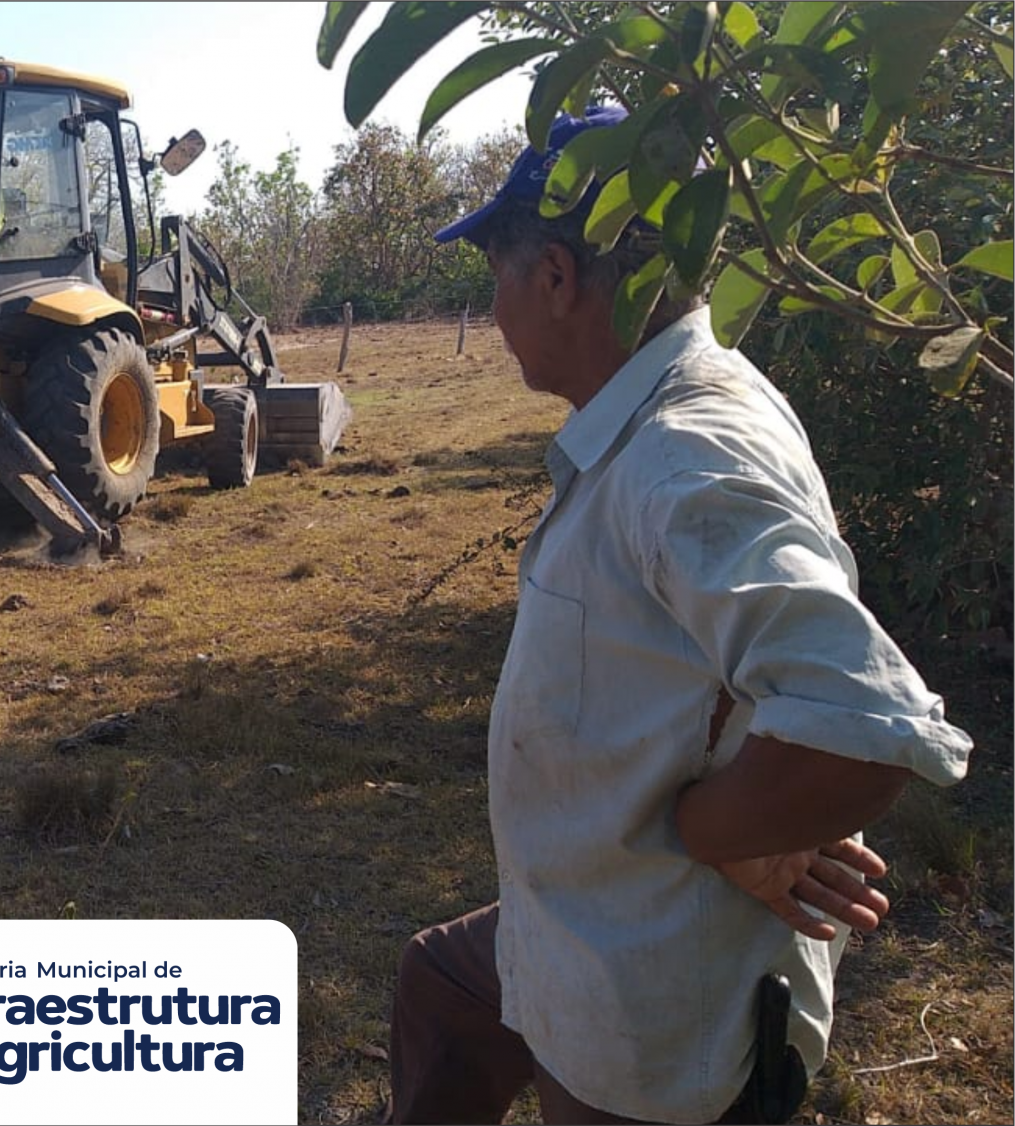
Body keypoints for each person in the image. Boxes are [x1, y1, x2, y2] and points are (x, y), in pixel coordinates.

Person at [385, 105, 975, 1125]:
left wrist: (718, 829)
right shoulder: (658, 419)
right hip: (572, 925)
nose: (493, 308)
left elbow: (864, 728)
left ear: (557, 279)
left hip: (640, 1018)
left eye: (496, 276)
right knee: (440, 983)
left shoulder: (682, 451)